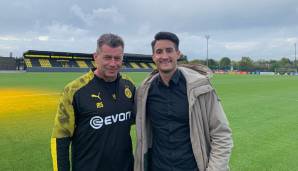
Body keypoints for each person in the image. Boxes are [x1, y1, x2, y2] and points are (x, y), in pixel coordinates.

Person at [134, 32, 233, 171]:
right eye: (159, 51)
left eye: (169, 50)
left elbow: (221, 133)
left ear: (178, 54)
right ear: (153, 57)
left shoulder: (201, 88)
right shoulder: (144, 92)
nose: (164, 56)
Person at [51, 33, 135, 171]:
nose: (113, 63)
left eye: (117, 58)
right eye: (107, 57)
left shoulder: (129, 85)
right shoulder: (74, 90)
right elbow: (61, 137)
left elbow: (136, 118)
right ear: (96, 57)